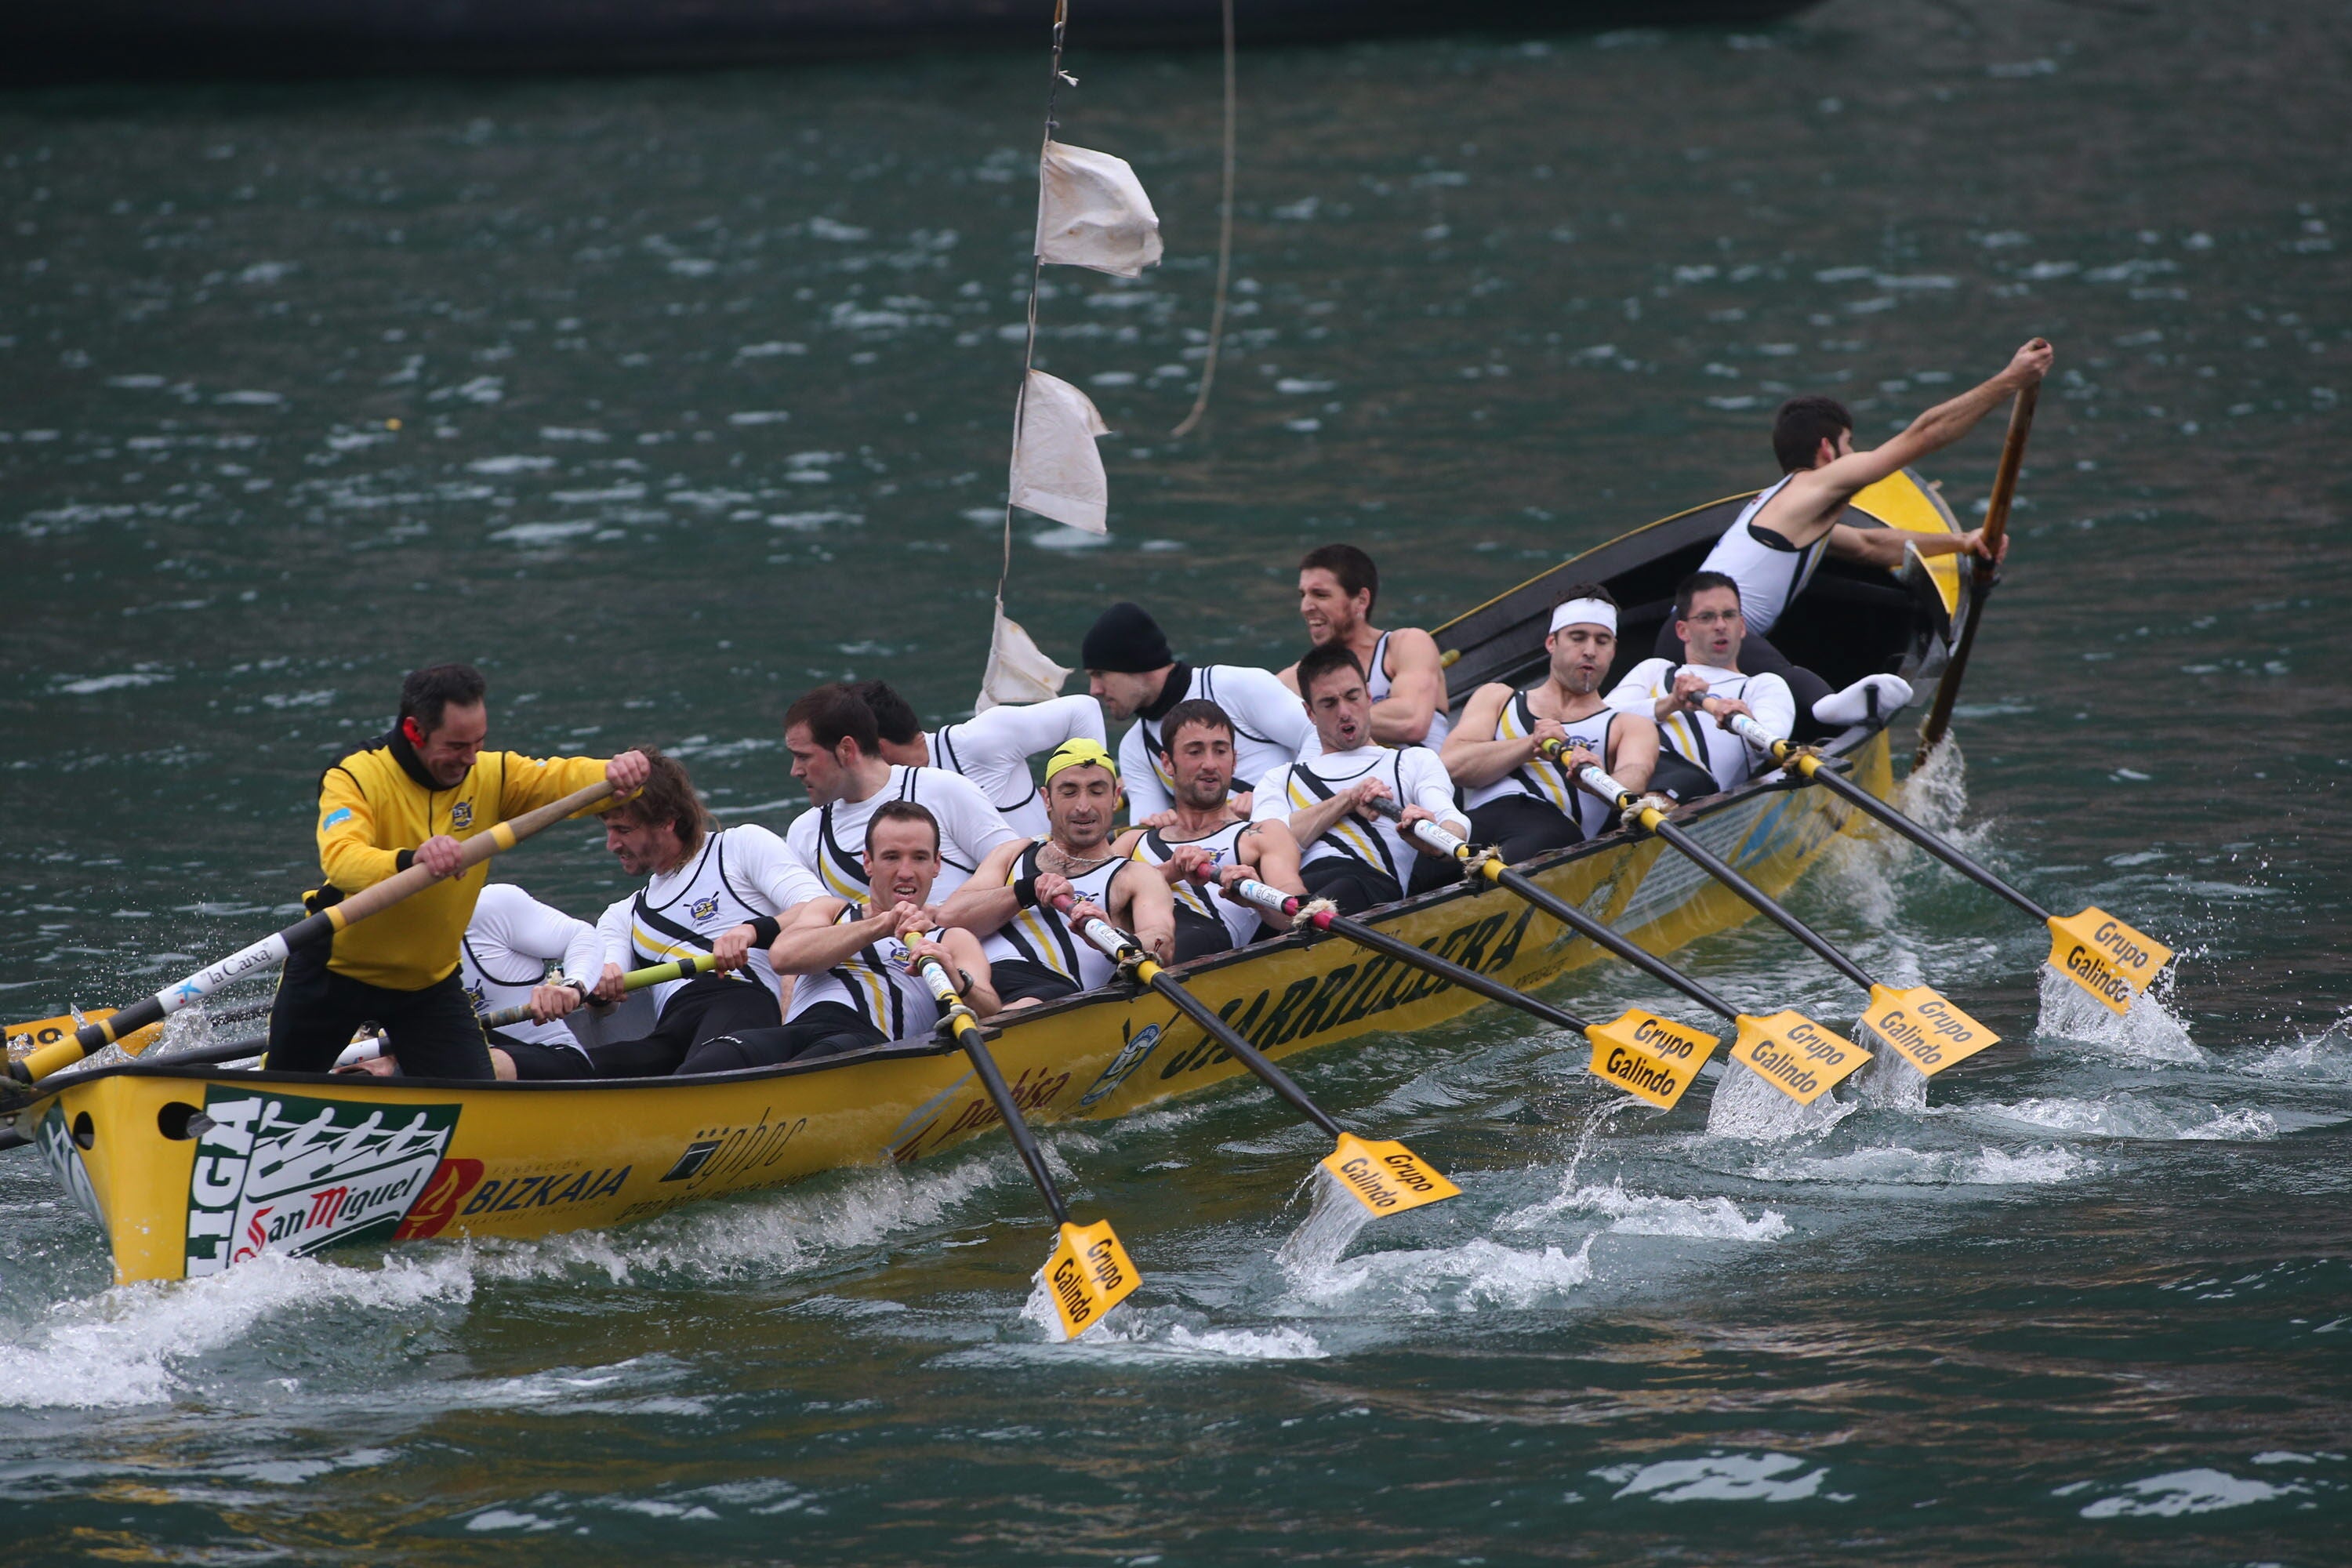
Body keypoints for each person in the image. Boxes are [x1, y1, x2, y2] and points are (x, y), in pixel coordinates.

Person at [266, 662, 649, 1080]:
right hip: (336, 969)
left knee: (478, 1095)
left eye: (478, 743)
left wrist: (614, 774)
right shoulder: (355, 776)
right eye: (456, 746)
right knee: (276, 1089)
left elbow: (560, 780)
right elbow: (342, 859)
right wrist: (411, 859)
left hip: (425, 983)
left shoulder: (490, 774)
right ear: (414, 732)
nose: (470, 759)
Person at [1679, 338, 2052, 731]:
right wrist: (2012, 379)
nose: (1855, 455)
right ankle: (1826, 710)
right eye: (1849, 445)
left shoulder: (1785, 508)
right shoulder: (1815, 486)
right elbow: (1926, 433)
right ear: (1827, 450)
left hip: (1684, 638)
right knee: (1793, 683)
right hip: (1707, 639)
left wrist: (1961, 543)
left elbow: (1869, 546)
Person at [685, 801, 1000, 1073]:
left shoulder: (952, 939)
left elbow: (990, 1011)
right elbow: (784, 957)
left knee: (816, 1062)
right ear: (868, 863)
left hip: (869, 1047)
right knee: (714, 1058)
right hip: (799, 1031)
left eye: (918, 858)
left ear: (936, 865)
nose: (905, 871)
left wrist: (958, 982)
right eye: (891, 857)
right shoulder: (831, 912)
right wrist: (881, 926)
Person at [582, 750, 823, 1079]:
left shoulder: (739, 848)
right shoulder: (622, 915)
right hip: (670, 1035)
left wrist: (751, 932)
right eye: (608, 830)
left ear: (667, 820)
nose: (611, 844)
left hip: (744, 1007)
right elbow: (606, 1002)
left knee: (697, 1072)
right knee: (576, 1066)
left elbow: (820, 907)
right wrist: (599, 988)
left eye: (623, 830)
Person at [939, 740, 1177, 1008]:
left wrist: (1111, 937)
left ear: (1115, 797)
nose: (1083, 806)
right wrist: (1026, 890)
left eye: (1097, 792)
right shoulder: (1013, 853)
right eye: (1069, 792)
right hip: (970, 984)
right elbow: (951, 917)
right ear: (1047, 799)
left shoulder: (1135, 875)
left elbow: (1162, 943)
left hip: (1049, 997)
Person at [1443, 586, 1661, 863]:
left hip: (1554, 829)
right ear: (1551, 643)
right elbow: (1451, 766)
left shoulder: (1629, 725)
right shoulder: (1497, 697)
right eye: (1578, 638)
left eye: (1602, 641)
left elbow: (1634, 780)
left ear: (1613, 650)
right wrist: (1530, 744)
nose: (1590, 651)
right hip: (1476, 823)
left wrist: (1594, 779)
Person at [1254, 643, 1472, 913]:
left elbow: (1452, 819)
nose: (1344, 711)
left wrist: (1437, 842)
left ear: (1368, 695)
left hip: (1370, 886)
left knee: (1344, 887)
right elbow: (1263, 844)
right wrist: (1347, 799)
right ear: (1310, 713)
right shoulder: (1279, 779)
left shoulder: (1412, 761)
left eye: (1352, 696)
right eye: (1329, 703)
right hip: (1300, 894)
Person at [782, 683, 1022, 905]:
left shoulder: (943, 790)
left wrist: (948, 915)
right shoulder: (804, 833)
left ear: (846, 749)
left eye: (803, 756)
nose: (795, 771)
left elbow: (1017, 865)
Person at [337, 881, 604, 1081]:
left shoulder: (489, 907)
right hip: (440, 1066)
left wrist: (574, 987)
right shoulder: (360, 948)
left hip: (555, 1063)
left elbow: (582, 936)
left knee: (449, 1061)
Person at [1111, 699, 1308, 961]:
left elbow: (1298, 912)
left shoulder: (1263, 834)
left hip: (1203, 948)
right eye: (1195, 751)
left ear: (1234, 760)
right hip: (1128, 954)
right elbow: (1101, 899)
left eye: (1220, 751)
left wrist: (1258, 897)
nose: (1210, 764)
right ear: (1167, 763)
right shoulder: (1132, 842)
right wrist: (1171, 871)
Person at [1082, 601, 1314, 821]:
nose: (1095, 690)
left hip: (1296, 827)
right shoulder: (1135, 748)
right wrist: (1162, 826)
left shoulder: (1235, 686)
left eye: (1100, 674)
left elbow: (1319, 735)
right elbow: (1146, 838)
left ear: (1136, 665)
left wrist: (1272, 798)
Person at [1609, 572, 1797, 798]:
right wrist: (1670, 704)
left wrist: (1748, 721)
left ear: (1742, 626)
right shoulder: (1655, 670)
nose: (1720, 625)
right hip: (1621, 773)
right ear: (1683, 630)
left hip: (1691, 787)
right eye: (1707, 617)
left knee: (1686, 778)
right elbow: (1603, 719)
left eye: (1729, 615)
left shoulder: (1763, 685)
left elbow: (1773, 741)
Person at [849, 678, 1105, 839]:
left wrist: (1086, 800)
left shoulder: (978, 741)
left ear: (879, 749)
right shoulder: (881, 799)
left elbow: (1082, 711)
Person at [1276, 544, 1452, 749]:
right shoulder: (1297, 676)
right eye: (1303, 595)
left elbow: (1412, 722)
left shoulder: (1406, 645)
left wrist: (1323, 714)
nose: (1305, 607)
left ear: (1361, 600)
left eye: (1321, 595)